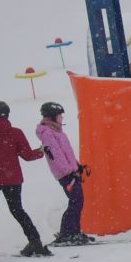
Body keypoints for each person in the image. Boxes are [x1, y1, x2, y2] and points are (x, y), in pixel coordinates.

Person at [0, 100, 49, 262]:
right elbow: (27, 156)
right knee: (17, 210)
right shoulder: (16, 133)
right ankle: (35, 242)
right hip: (11, 179)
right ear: (7, 114)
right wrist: (40, 152)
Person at [36, 101, 93, 246]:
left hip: (70, 172)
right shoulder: (47, 133)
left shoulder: (57, 131)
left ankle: (72, 232)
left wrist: (77, 165)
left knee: (76, 202)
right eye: (59, 116)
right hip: (65, 175)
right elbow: (56, 155)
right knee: (76, 202)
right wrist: (69, 171)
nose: (62, 118)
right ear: (51, 117)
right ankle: (68, 233)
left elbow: (66, 152)